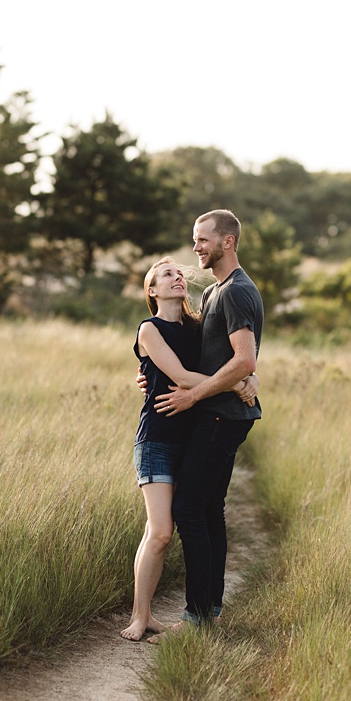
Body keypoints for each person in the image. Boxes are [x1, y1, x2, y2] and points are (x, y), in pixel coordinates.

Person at [122, 258, 257, 642]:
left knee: (177, 521)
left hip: (192, 437)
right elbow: (182, 377)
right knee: (161, 531)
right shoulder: (149, 329)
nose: (178, 278)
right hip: (157, 440)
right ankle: (140, 616)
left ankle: (196, 612)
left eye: (180, 274)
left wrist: (249, 375)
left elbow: (229, 361)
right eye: (167, 275)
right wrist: (236, 384)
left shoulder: (197, 327)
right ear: (152, 291)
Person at [150, 209, 265, 634]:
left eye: (203, 240)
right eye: (195, 240)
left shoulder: (235, 291)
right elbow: (207, 355)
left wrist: (194, 394)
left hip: (222, 415)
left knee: (189, 508)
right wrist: (152, 373)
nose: (195, 248)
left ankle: (197, 616)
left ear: (227, 242)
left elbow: (245, 359)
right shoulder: (215, 290)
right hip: (221, 410)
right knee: (209, 509)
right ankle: (211, 609)